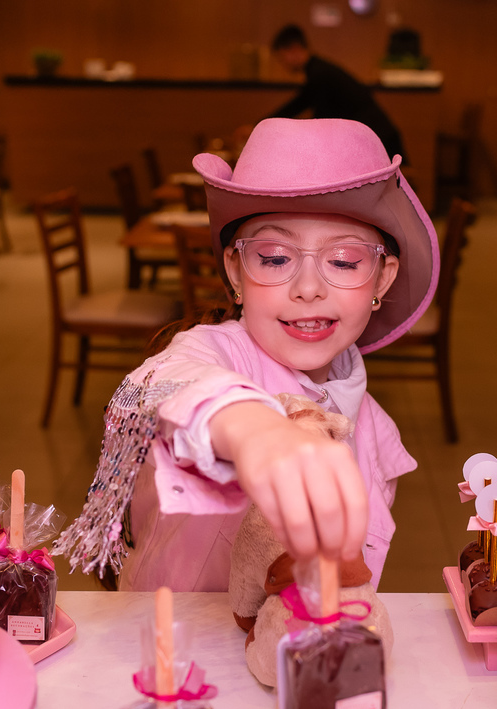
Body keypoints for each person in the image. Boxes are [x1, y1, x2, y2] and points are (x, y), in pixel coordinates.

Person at [57, 118, 437, 592]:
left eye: (343, 260)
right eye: (275, 257)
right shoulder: (213, 352)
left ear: (382, 278)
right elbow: (154, 386)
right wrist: (252, 427)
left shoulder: (377, 432)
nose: (308, 289)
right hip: (178, 651)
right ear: (235, 272)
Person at [268, 24, 408, 163]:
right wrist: (266, 124)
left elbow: (321, 120)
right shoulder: (318, 70)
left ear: (294, 48)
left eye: (282, 57)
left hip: (380, 140)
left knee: (400, 184)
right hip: (378, 138)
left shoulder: (319, 73)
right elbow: (299, 103)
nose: (282, 63)